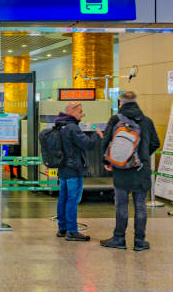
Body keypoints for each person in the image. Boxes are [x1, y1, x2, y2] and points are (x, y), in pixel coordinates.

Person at [100, 92, 160, 251]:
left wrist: (108, 161)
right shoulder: (147, 121)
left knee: (121, 205)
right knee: (140, 206)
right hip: (141, 170)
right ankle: (140, 241)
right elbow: (155, 143)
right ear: (135, 102)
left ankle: (119, 238)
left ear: (121, 103)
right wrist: (142, 157)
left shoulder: (115, 120)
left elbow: (105, 142)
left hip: (121, 170)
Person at [55, 101, 103, 242]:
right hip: (73, 169)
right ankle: (72, 231)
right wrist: (97, 135)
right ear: (71, 111)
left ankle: (62, 228)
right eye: (80, 111)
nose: (82, 114)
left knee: (63, 198)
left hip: (63, 168)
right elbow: (87, 144)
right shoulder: (72, 127)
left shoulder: (59, 125)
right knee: (73, 199)